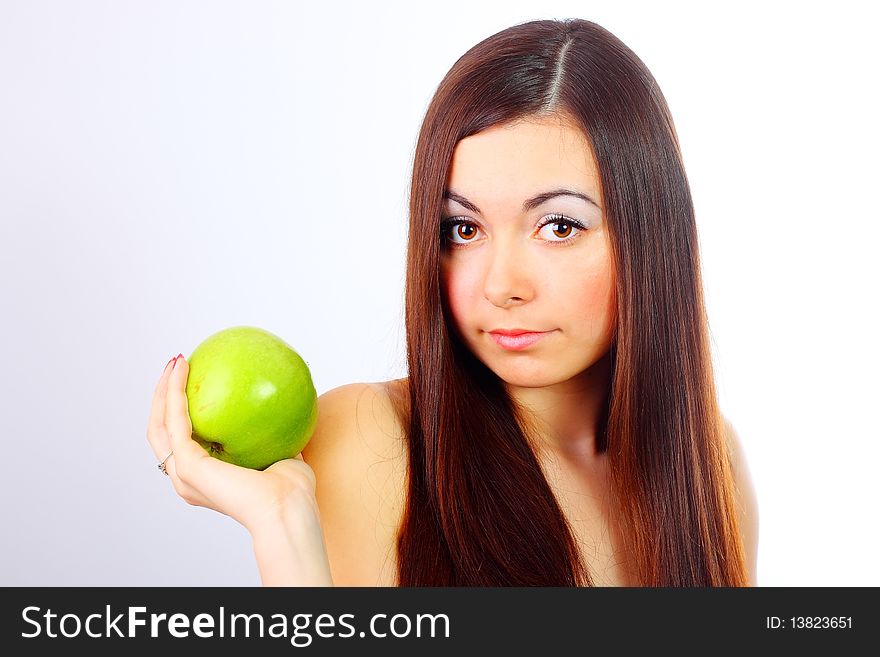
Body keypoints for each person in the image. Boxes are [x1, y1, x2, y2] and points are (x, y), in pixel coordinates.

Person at [147, 18, 759, 587]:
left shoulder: (711, 466)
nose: (502, 285)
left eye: (560, 227)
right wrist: (282, 526)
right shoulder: (371, 437)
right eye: (463, 230)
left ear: (649, 235)